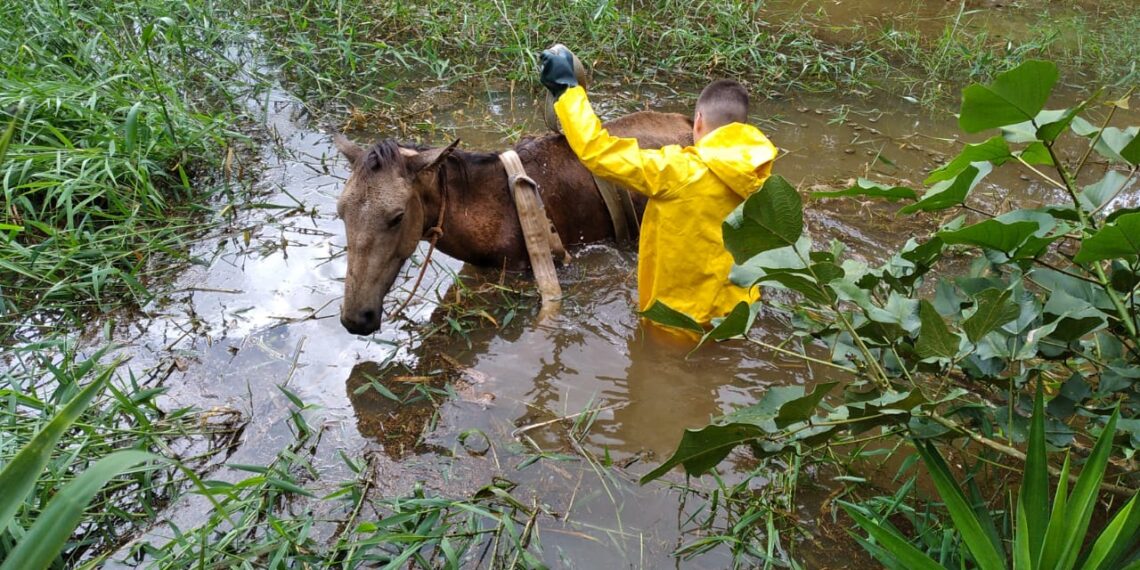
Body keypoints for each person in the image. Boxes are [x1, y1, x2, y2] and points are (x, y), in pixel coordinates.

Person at [539, 45, 777, 331]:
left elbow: (598, 152)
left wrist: (567, 91)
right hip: (741, 320)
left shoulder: (678, 170)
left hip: (677, 326)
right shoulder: (765, 175)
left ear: (698, 122)